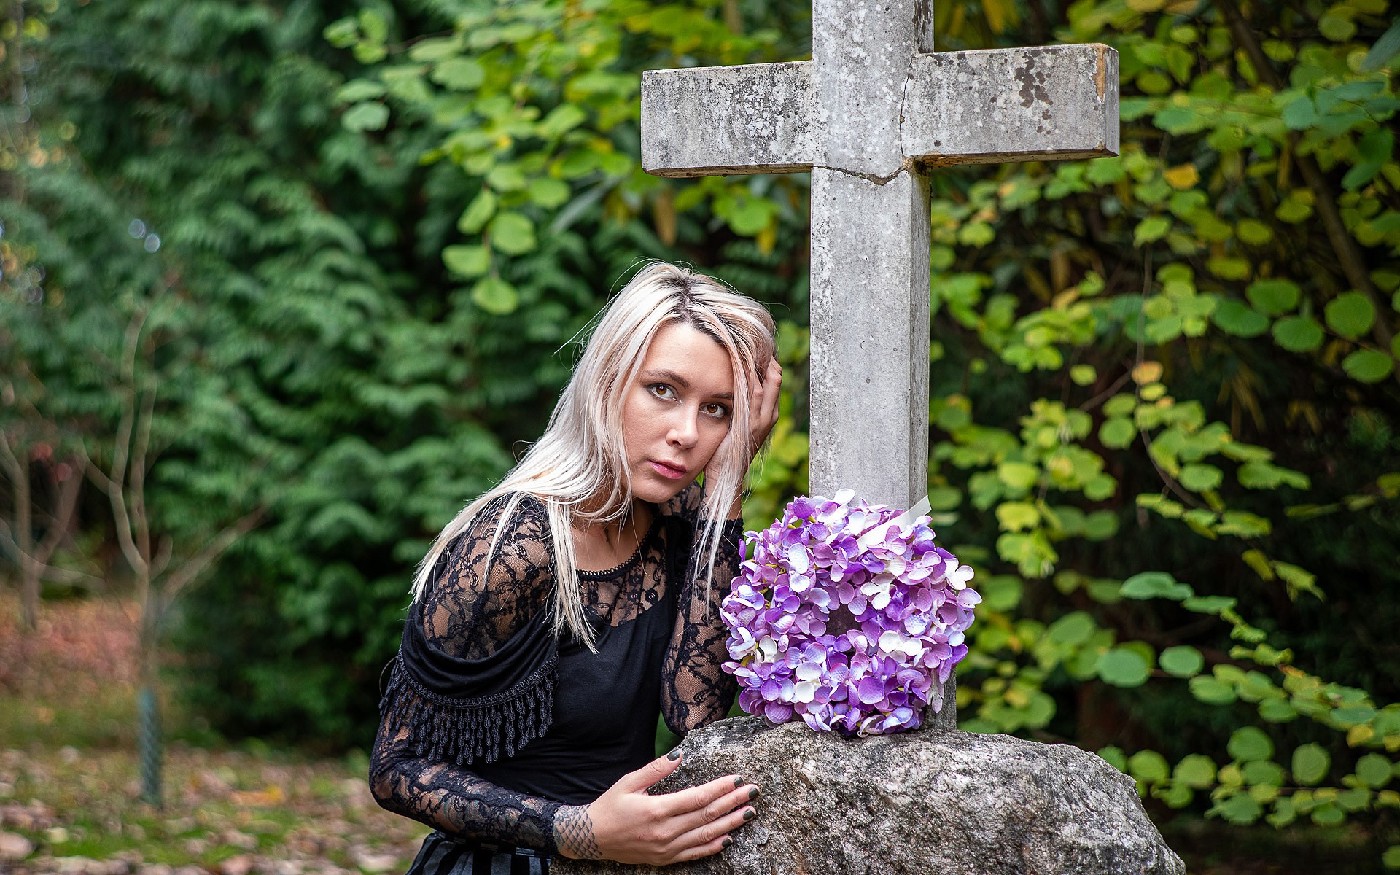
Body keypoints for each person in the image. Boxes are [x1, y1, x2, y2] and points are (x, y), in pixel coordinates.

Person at [370, 261, 783, 873]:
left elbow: (694, 713)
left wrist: (728, 489)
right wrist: (576, 830)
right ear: (608, 381)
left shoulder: (676, 523)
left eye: (718, 410)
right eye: (663, 390)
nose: (687, 433)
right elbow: (395, 770)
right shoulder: (512, 545)